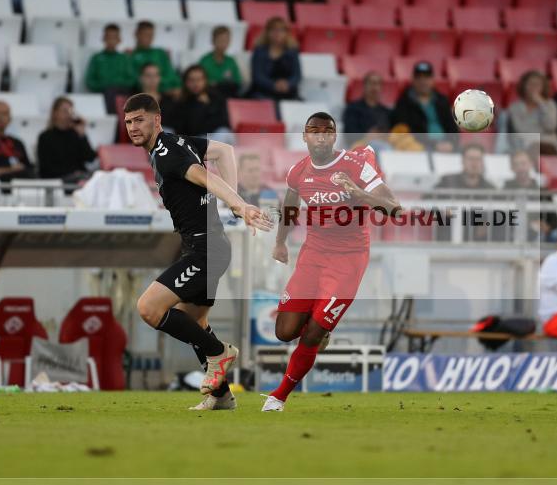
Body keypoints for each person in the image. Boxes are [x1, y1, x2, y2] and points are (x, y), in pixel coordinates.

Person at [123, 92, 271, 411]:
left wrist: (238, 204)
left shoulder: (166, 153)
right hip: (207, 244)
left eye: (139, 120)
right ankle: (220, 395)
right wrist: (235, 200)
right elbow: (223, 150)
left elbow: (205, 176)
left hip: (205, 249)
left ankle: (220, 353)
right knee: (195, 321)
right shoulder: (177, 142)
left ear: (156, 119)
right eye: (128, 122)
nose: (133, 127)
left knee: (149, 308)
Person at [263, 112, 400, 412]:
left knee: (311, 333)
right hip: (313, 254)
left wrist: (359, 193)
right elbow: (289, 204)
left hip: (349, 259)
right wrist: (280, 242)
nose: (321, 136)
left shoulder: (355, 166)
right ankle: (320, 327)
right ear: (305, 136)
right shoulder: (298, 171)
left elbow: (394, 208)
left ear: (334, 136)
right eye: (314, 131)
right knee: (284, 331)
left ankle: (279, 395)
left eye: (327, 131)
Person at [390, 61, 457, 152]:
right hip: (420, 148)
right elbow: (405, 131)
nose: (423, 81)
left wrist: (451, 143)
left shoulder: (442, 100)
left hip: (447, 146)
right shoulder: (404, 103)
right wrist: (434, 145)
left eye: (426, 77)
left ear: (432, 80)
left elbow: (452, 128)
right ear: (413, 80)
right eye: (419, 78)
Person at [497, 70, 557, 155]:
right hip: (525, 147)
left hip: (548, 147)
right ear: (524, 87)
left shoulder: (550, 105)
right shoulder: (514, 108)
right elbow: (520, 129)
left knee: (536, 149)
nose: (533, 87)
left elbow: (551, 126)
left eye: (537, 85)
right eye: (530, 84)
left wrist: (541, 104)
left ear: (543, 87)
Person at [36, 96, 97, 182]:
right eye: (65, 111)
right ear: (55, 113)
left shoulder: (75, 134)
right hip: (59, 179)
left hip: (80, 177)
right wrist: (72, 173)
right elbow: (46, 168)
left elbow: (90, 158)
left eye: (70, 111)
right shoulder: (45, 137)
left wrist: (82, 135)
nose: (68, 115)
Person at [503, 149, 557, 242]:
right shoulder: (505, 190)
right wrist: (529, 224)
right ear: (511, 167)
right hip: (513, 233)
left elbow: (554, 219)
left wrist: (546, 226)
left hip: (540, 234)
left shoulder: (543, 191)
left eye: (523, 163)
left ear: (531, 164)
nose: (520, 168)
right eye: (516, 164)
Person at [85, 24, 137, 113]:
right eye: (109, 37)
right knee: (110, 92)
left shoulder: (124, 58)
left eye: (114, 37)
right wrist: (106, 85)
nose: (111, 40)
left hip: (122, 92)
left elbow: (132, 80)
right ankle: (113, 120)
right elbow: (90, 81)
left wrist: (115, 84)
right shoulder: (97, 58)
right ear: (103, 38)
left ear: (119, 39)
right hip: (104, 92)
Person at [168, 65, 230, 137]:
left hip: (217, 136)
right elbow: (189, 129)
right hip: (196, 140)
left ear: (205, 81)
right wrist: (200, 106)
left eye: (199, 79)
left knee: (224, 132)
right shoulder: (181, 102)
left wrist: (208, 106)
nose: (196, 83)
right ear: (185, 82)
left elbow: (223, 122)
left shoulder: (215, 97)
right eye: (191, 80)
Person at [249, 16, 301, 101]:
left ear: (286, 33)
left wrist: (288, 84)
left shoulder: (292, 52)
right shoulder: (259, 51)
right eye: (274, 30)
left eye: (281, 30)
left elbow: (297, 75)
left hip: (288, 93)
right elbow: (258, 76)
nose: (277, 33)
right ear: (267, 32)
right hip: (263, 93)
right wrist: (273, 85)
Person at [129, 21, 180, 95]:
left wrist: (175, 87)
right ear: (136, 34)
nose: (149, 38)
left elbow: (171, 76)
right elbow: (135, 81)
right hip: (143, 94)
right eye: (145, 35)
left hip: (167, 93)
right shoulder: (131, 56)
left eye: (151, 35)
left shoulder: (160, 53)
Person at [343, 71, 391, 148]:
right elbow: (349, 135)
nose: (374, 87)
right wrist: (368, 136)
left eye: (378, 84)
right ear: (364, 86)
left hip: (384, 144)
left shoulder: (386, 112)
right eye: (371, 83)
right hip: (361, 147)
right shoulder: (353, 109)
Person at [198, 26, 242, 97]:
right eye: (220, 40)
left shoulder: (231, 61)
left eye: (226, 40)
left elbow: (237, 81)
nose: (223, 43)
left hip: (228, 94)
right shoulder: (205, 60)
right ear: (213, 41)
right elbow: (201, 82)